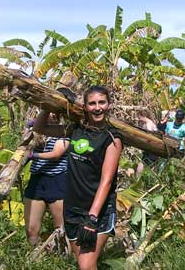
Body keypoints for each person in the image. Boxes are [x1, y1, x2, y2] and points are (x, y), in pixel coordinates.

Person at [33, 86, 122, 270]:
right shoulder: (75, 130)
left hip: (98, 211)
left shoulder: (112, 138)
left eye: (102, 102)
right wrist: (49, 104)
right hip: (72, 208)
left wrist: (92, 217)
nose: (97, 108)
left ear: (109, 105)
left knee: (85, 266)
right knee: (85, 264)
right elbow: (39, 127)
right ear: (85, 107)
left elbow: (107, 180)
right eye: (92, 103)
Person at [24, 117, 69, 247]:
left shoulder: (65, 130)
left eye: (56, 114)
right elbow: (24, 144)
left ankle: (63, 260)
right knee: (31, 229)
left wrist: (34, 156)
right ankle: (35, 258)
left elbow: (56, 154)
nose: (52, 116)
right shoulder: (37, 130)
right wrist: (29, 129)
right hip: (37, 179)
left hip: (57, 180)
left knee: (61, 229)